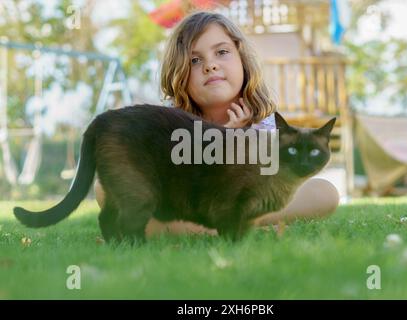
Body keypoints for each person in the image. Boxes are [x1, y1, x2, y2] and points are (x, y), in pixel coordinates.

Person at [94, 11, 339, 237]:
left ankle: (230, 222)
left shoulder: (266, 124)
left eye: (221, 52)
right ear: (180, 75)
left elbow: (271, 181)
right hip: (183, 202)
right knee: (104, 189)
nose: (210, 65)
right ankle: (221, 228)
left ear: (242, 59)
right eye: (195, 61)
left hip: (243, 203)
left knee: (325, 192)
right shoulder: (170, 123)